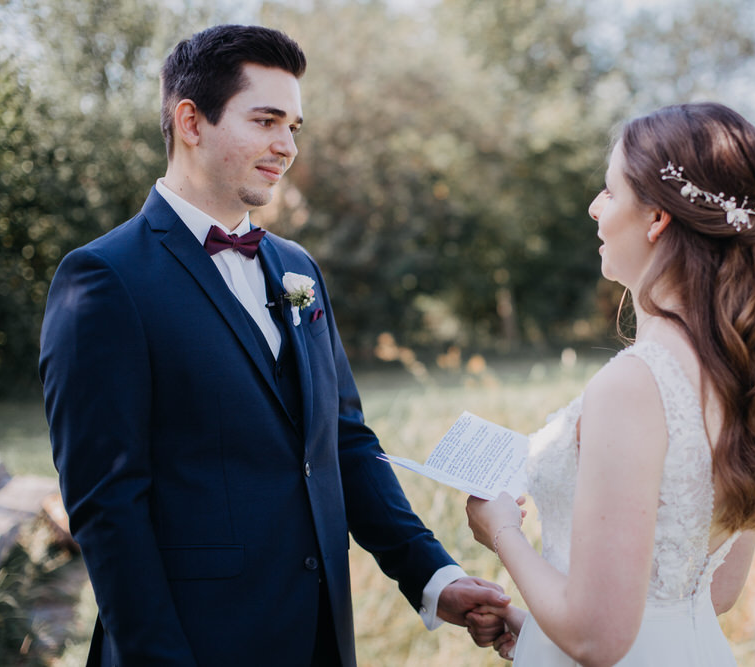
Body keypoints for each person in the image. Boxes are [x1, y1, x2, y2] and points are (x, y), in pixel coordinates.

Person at [39, 24, 507, 666]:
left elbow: (341, 443)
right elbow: (106, 505)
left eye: (294, 127)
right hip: (192, 645)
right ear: (190, 122)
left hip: (319, 638)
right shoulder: (105, 278)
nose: (286, 147)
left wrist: (434, 577)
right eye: (265, 121)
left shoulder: (298, 269)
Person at [465, 102, 755, 666]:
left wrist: (502, 531)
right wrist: (536, 628)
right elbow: (710, 593)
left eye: (609, 191)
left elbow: (598, 640)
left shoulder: (636, 384)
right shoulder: (745, 370)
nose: (594, 208)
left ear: (656, 219)